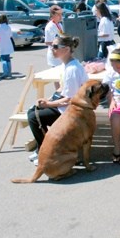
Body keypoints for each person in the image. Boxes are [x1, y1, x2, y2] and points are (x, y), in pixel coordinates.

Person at [26, 35, 89, 166]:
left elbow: (70, 99)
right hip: (69, 107)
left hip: (74, 112)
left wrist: (48, 104)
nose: (52, 49)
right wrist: (49, 99)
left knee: (35, 117)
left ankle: (46, 152)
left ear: (66, 49)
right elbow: (62, 88)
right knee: (33, 110)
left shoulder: (72, 69)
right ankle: (42, 149)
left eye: (55, 47)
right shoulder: (67, 65)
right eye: (51, 46)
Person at [45, 5, 65, 89]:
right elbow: (47, 42)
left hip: (61, 53)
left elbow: (62, 35)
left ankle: (63, 95)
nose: (61, 16)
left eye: (61, 14)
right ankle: (58, 95)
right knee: (57, 77)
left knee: (63, 77)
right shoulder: (49, 26)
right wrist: (57, 44)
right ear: (53, 15)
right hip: (54, 54)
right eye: (58, 14)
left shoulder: (59, 24)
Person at [0, 14, 14, 79]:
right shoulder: (8, 27)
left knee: (3, 59)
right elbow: (10, 35)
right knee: (8, 59)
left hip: (2, 45)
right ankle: (9, 72)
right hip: (8, 44)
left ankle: (5, 72)